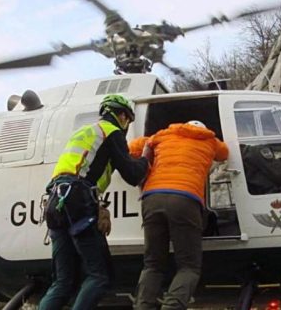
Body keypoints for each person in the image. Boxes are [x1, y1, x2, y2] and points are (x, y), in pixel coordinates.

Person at [39, 94, 150, 310]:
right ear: (121, 115)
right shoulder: (111, 132)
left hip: (54, 202)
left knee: (63, 281)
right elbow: (133, 175)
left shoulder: (84, 132)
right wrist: (146, 157)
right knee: (100, 276)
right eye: (127, 119)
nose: (126, 125)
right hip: (77, 199)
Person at [129, 120, 228, 310]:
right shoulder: (210, 140)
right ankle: (172, 306)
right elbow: (225, 154)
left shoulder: (161, 135)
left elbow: (131, 148)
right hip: (185, 199)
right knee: (188, 266)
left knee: (153, 264)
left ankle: (142, 306)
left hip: (152, 198)